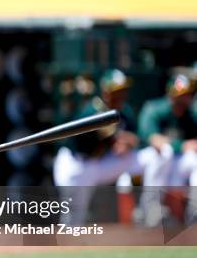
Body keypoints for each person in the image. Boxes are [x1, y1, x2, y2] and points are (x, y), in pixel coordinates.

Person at [53, 69, 171, 225]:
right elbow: (102, 136)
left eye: (123, 90)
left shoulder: (125, 111)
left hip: (103, 164)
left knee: (158, 155)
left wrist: (128, 142)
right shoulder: (92, 110)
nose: (121, 95)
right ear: (106, 91)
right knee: (74, 219)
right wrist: (118, 139)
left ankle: (149, 210)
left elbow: (134, 138)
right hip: (76, 166)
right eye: (117, 91)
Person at [138, 74, 197, 223]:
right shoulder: (155, 109)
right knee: (165, 152)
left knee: (193, 159)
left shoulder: (192, 114)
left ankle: (193, 213)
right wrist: (181, 145)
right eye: (179, 95)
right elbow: (153, 139)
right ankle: (149, 208)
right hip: (150, 158)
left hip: (178, 162)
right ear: (170, 95)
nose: (183, 99)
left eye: (187, 95)